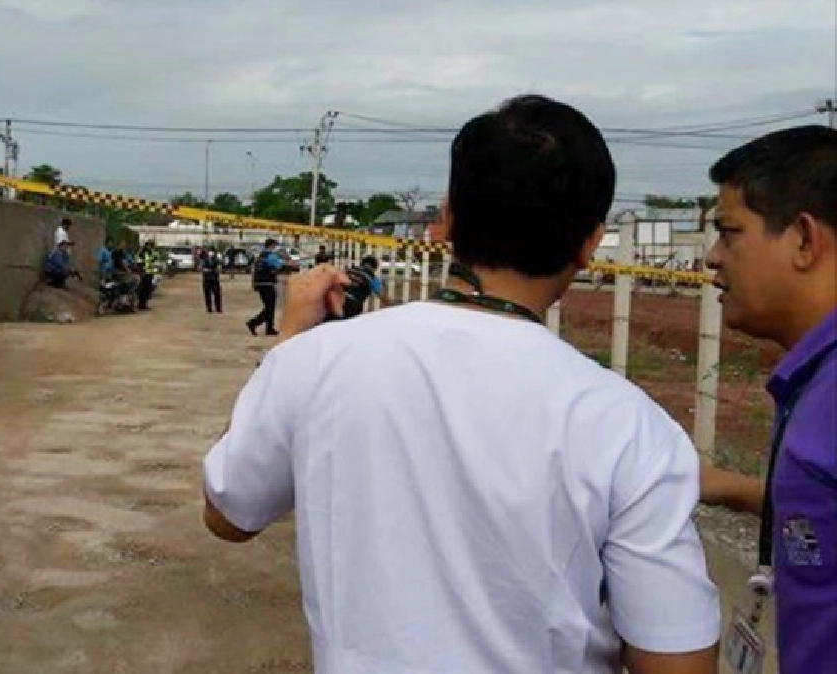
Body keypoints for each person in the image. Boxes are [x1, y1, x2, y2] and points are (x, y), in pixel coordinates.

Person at [202, 95, 719, 673]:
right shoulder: (630, 425)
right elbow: (676, 660)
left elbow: (229, 513)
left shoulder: (315, 361)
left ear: (445, 218)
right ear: (591, 243)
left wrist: (289, 344)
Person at [697, 125, 837, 674]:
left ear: (804, 239)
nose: (712, 257)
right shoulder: (815, 375)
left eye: (729, 233)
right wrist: (730, 488)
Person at [246, 238, 286, 336]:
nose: (275, 248)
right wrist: (286, 262)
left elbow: (254, 270)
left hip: (260, 284)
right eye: (275, 246)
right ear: (271, 246)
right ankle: (253, 323)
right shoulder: (271, 256)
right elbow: (279, 265)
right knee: (269, 308)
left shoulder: (260, 256)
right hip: (268, 284)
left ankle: (269, 328)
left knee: (268, 307)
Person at [338, 254, 384, 319]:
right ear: (374, 268)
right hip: (352, 307)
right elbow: (382, 296)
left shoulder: (348, 271)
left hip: (337, 300)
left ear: (362, 263)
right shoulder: (373, 279)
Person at [200, 246, 223, 313]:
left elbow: (219, 268)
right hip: (207, 279)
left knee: (217, 294)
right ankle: (209, 308)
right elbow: (202, 269)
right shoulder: (204, 259)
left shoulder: (216, 259)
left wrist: (213, 270)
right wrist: (210, 270)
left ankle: (218, 308)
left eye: (212, 251)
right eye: (209, 251)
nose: (211, 253)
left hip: (215, 280)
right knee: (207, 295)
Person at [136, 240, 158, 311]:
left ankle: (144, 304)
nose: (150, 247)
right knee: (143, 289)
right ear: (146, 246)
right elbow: (139, 263)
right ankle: (141, 304)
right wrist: (141, 272)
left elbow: (153, 261)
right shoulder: (142, 253)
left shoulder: (151, 253)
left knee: (148, 289)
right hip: (144, 273)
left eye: (151, 246)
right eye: (149, 246)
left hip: (149, 273)